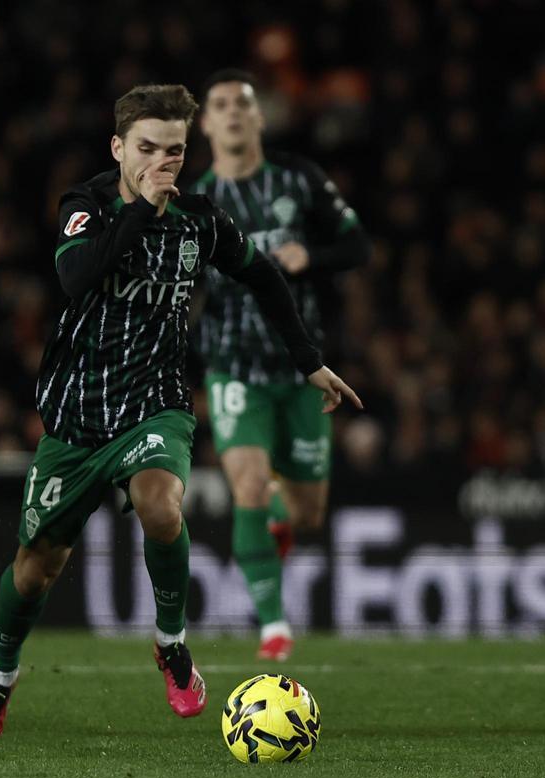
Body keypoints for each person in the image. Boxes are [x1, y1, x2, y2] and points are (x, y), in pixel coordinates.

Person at [0, 84, 361, 738]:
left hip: (156, 405)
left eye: (174, 150)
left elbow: (262, 275)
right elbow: (76, 277)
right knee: (35, 570)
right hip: (77, 415)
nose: (162, 163)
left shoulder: (200, 219)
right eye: (147, 149)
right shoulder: (84, 205)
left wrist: (307, 359)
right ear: (119, 147)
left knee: (160, 503)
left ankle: (171, 643)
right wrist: (140, 211)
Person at [194, 69, 372, 661]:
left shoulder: (299, 179)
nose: (235, 113)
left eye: (244, 104)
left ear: (260, 117)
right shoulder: (196, 202)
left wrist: (311, 256)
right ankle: (274, 627)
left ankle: (275, 516)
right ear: (207, 123)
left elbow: (357, 247)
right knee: (245, 483)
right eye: (221, 105)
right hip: (233, 365)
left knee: (306, 511)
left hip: (302, 368)